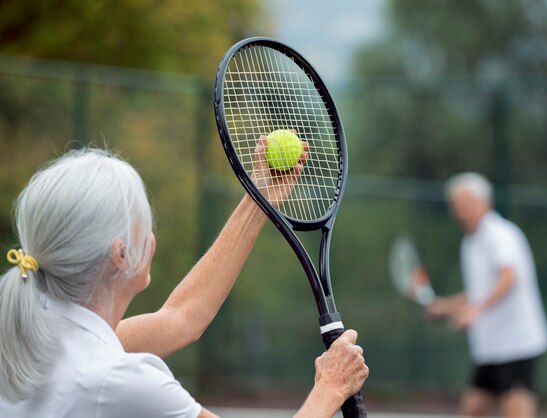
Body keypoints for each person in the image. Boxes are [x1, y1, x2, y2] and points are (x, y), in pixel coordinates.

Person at [0, 144, 368, 417]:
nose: (152, 234)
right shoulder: (119, 380)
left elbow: (181, 319)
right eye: (144, 222)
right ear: (121, 255)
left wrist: (261, 199)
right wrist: (330, 387)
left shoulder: (33, 335)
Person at [426, 172, 547, 418]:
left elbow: (509, 277)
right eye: (457, 205)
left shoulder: (499, 233)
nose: (462, 210)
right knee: (472, 409)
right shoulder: (471, 242)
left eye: (468, 203)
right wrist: (448, 306)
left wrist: (476, 310)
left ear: (486, 202)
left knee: (516, 411)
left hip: (517, 345)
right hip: (490, 347)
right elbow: (480, 290)